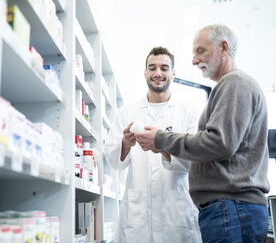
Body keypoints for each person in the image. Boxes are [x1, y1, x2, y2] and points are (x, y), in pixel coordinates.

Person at [135, 24, 270, 243]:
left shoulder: (234, 83)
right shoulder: (231, 85)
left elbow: (219, 143)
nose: (194, 60)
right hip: (231, 208)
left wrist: (162, 138)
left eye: (200, 51)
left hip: (231, 208)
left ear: (223, 48)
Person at [104, 46, 202, 243]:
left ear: (173, 73)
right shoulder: (126, 112)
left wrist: (163, 148)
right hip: (138, 215)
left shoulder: (189, 111)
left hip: (176, 212)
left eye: (164, 68)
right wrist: (125, 144)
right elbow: (113, 161)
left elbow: (196, 161)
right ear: (145, 72)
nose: (158, 73)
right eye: (152, 67)